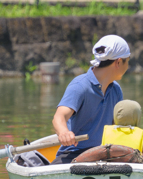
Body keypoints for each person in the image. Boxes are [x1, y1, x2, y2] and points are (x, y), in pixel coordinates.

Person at [52, 35, 131, 163]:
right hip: (74, 154)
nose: (128, 66)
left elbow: (116, 128)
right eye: (127, 61)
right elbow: (59, 117)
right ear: (118, 62)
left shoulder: (116, 90)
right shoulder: (80, 86)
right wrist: (64, 133)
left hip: (104, 153)